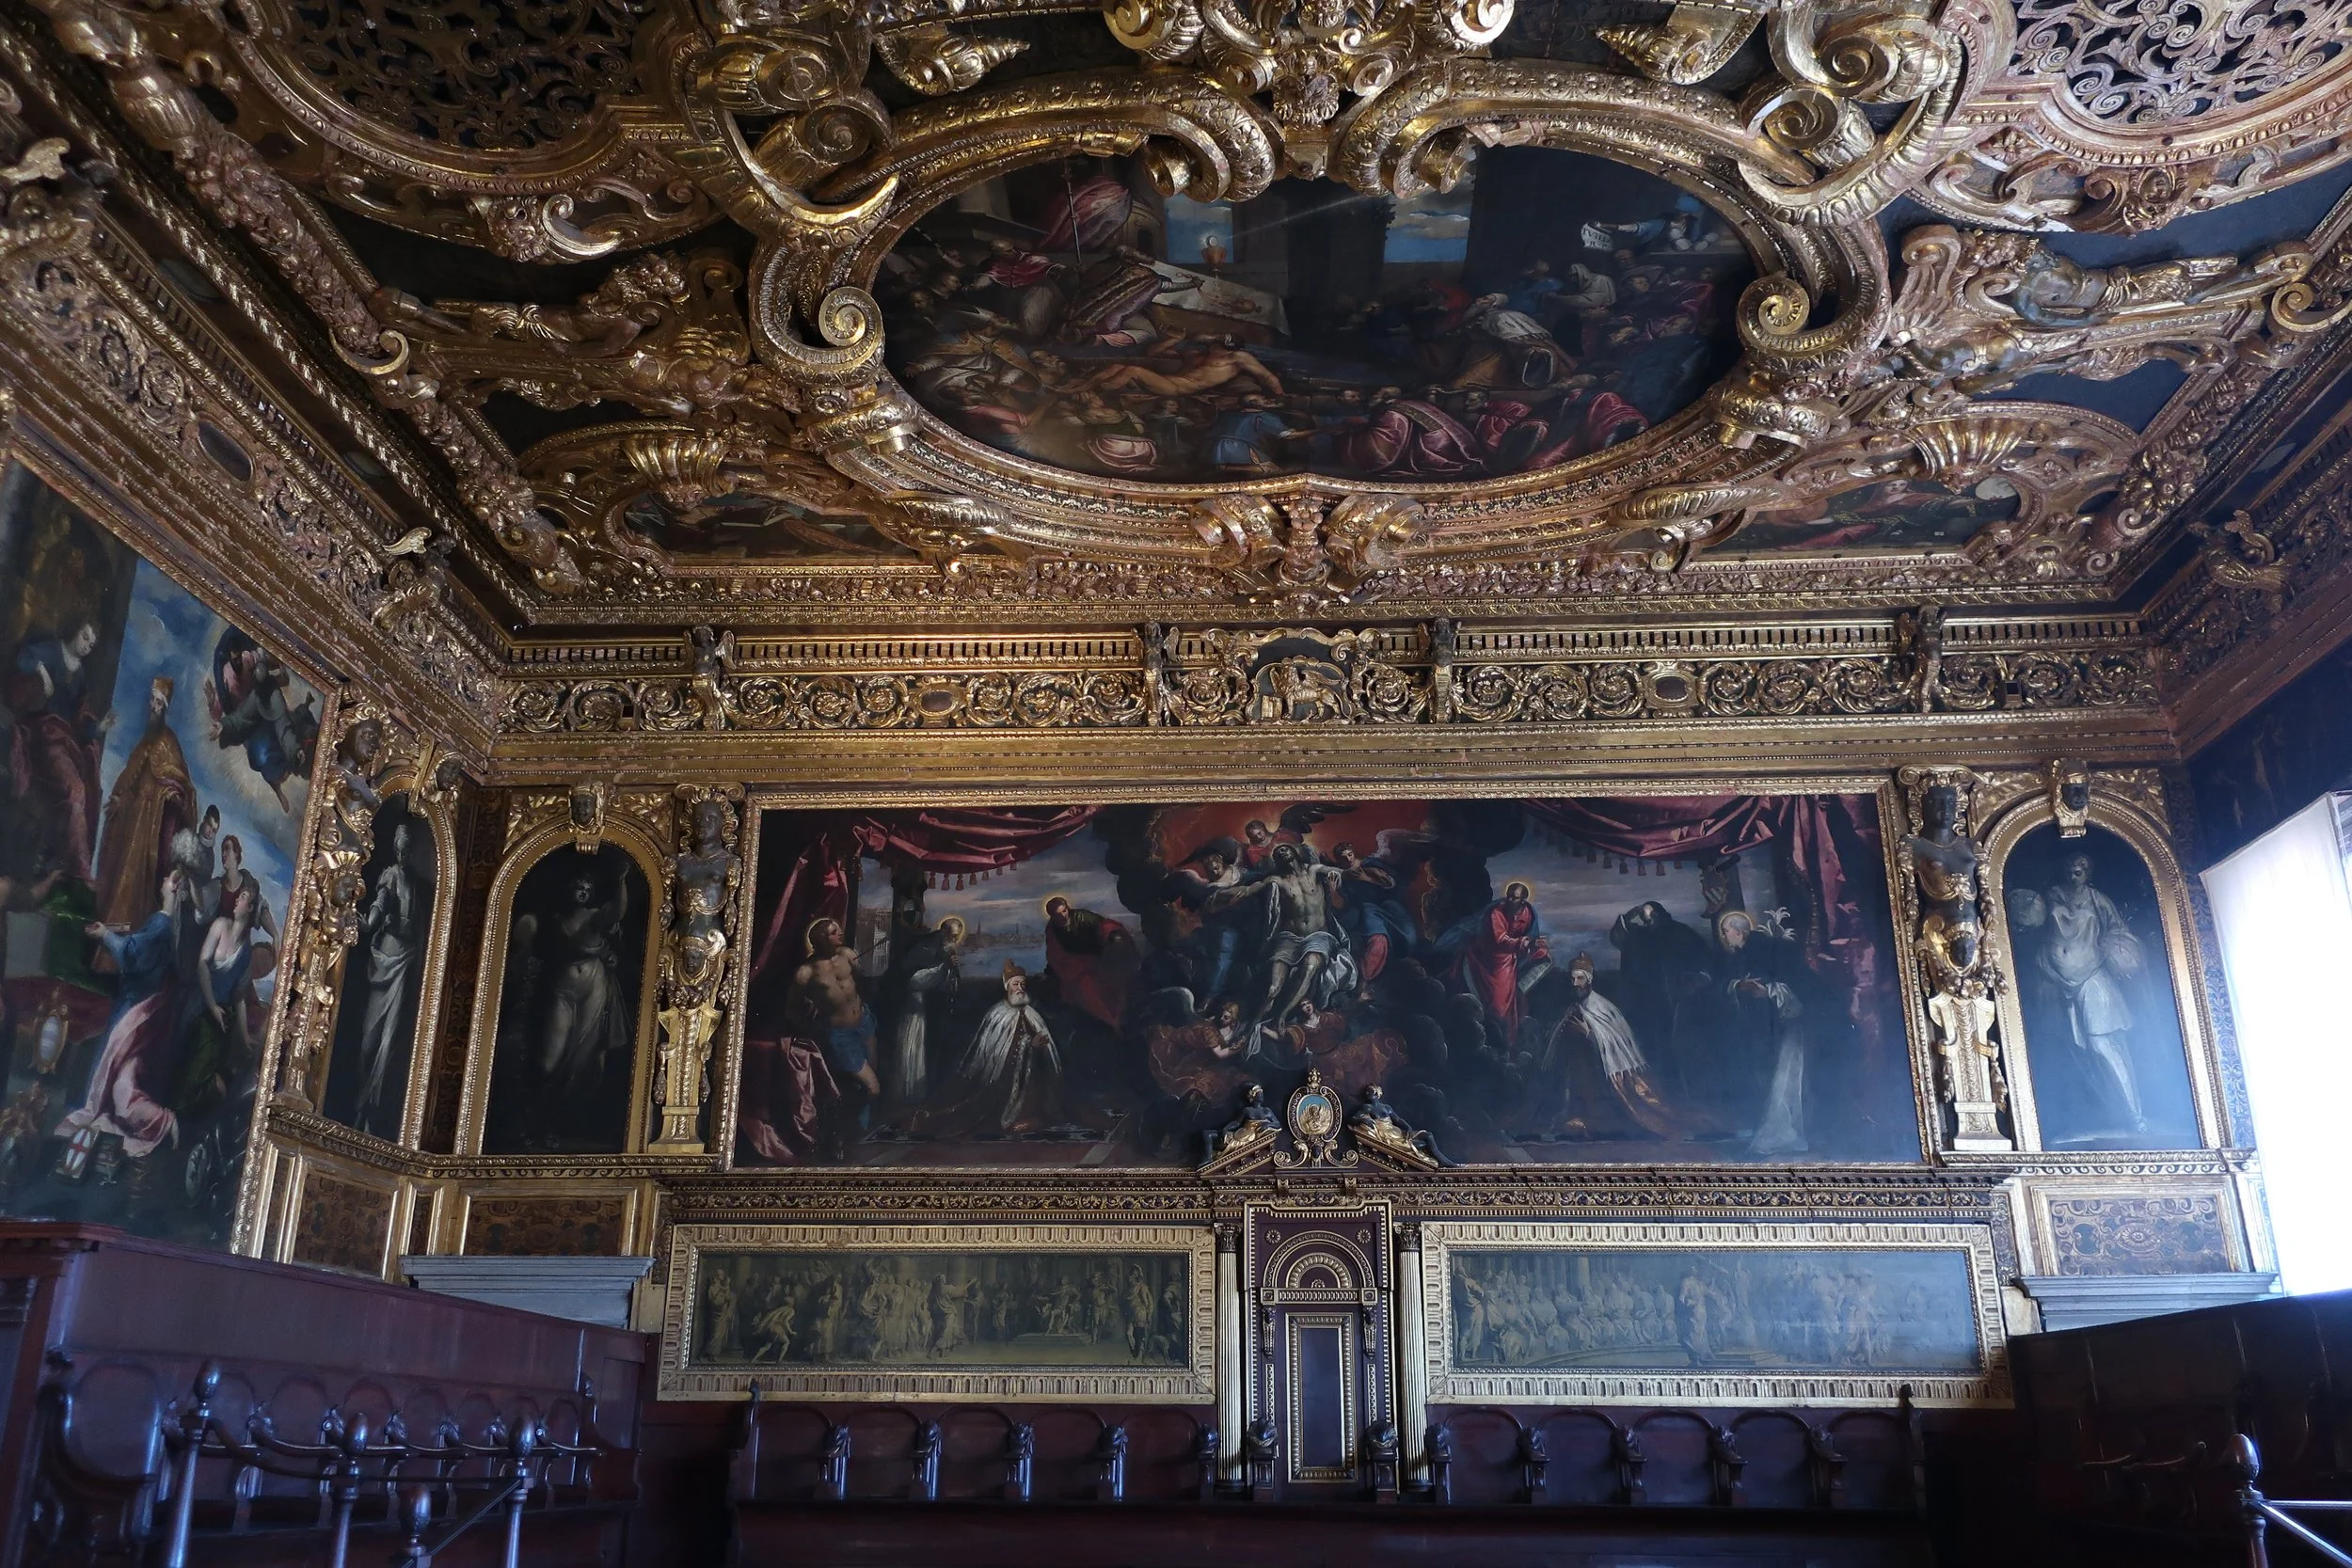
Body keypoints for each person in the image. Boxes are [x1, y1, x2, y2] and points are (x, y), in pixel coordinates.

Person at [58, 866, 189, 1177]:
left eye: (168, 878)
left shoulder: (161, 924)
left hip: (136, 1014)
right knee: (119, 1080)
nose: (162, 879)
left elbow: (132, 956)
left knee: (119, 1083)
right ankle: (151, 1122)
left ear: (175, 888)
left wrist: (105, 936)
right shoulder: (169, 929)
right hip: (143, 1014)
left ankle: (162, 1121)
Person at [2010, 852, 2149, 1133]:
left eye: (2081, 870)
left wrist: (2121, 951)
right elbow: (2028, 924)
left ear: (2088, 872)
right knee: (2069, 1049)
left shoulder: (2098, 900)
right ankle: (2090, 1114)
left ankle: (2133, 1115)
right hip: (2053, 979)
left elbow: (2119, 933)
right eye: (2071, 869)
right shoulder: (2048, 897)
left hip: (2092, 977)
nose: (2075, 873)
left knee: (2104, 1046)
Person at [517, 866, 635, 1148]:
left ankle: (559, 1126)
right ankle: (535, 1119)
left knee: (586, 1059)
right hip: (562, 990)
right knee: (550, 1059)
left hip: (594, 987)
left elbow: (617, 912)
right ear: (569, 890)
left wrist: (620, 880)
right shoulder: (555, 921)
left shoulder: (596, 917)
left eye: (586, 888)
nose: (582, 891)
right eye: (577, 886)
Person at [1549, 952, 1704, 1140]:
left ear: (1589, 980)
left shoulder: (1604, 1008)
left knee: (1635, 1120)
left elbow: (1615, 1042)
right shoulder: (1576, 1006)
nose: (1575, 983)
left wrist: (1589, 1033)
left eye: (1580, 978)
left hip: (1610, 1081)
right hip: (1584, 1077)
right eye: (1572, 978)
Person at [91, 676, 194, 929]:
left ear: (166, 706)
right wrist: (119, 798)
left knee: (139, 882)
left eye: (159, 702)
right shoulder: (144, 743)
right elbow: (131, 777)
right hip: (133, 820)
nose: (154, 706)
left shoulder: (169, 742)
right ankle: (109, 944)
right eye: (152, 700)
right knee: (121, 877)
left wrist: (171, 795)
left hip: (152, 826)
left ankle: (129, 941)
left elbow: (181, 784)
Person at [928, 963, 1065, 1136]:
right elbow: (993, 1056)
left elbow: (1049, 1054)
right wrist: (1029, 1045)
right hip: (1003, 1079)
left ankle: (1033, 1116)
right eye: (1015, 984)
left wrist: (1040, 1048)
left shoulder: (1032, 1014)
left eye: (1022, 984)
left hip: (1033, 1077)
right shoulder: (996, 1015)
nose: (1020, 988)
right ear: (1007, 986)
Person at [350, 822, 422, 1137]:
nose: (404, 851)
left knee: (390, 1043)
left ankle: (372, 1116)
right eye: (401, 845)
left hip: (405, 963)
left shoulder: (417, 886)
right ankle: (358, 1107)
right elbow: (380, 903)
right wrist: (369, 924)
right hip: (385, 959)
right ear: (396, 847)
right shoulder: (391, 875)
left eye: (409, 846)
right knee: (368, 1041)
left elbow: (415, 926)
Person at [785, 918, 882, 1101]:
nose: (840, 933)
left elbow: (862, 983)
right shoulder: (806, 972)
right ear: (822, 939)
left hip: (865, 1023)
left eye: (838, 929)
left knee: (874, 1074)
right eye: (833, 932)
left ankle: (866, 1122)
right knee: (873, 1087)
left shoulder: (847, 954)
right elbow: (791, 1010)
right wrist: (810, 1018)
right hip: (840, 1035)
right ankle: (859, 1126)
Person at [882, 915, 962, 1108]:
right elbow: (914, 980)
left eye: (957, 938)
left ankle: (935, 1097)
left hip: (939, 1009)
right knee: (920, 1057)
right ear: (943, 932)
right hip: (920, 1012)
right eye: (952, 936)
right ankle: (917, 1101)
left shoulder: (946, 949)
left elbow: (952, 980)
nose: (955, 941)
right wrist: (944, 968)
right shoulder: (925, 948)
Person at [1458, 881, 1548, 1052]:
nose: (1510, 900)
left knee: (1543, 956)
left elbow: (1527, 936)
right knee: (1499, 1003)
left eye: (1515, 898)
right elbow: (1500, 941)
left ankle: (1509, 1041)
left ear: (1523, 900)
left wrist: (1534, 944)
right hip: (1494, 958)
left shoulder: (1527, 914)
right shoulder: (1496, 913)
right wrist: (1527, 942)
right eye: (1509, 896)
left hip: (1512, 957)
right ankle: (1499, 1040)